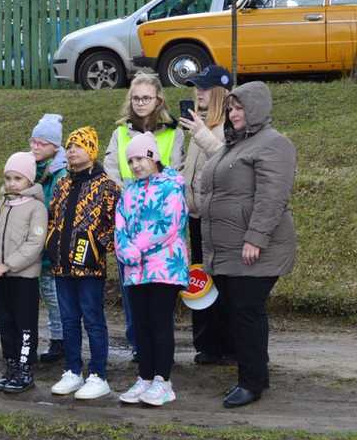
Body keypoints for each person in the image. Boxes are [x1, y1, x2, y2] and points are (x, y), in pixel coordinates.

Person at [197, 82, 297, 408]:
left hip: (256, 247)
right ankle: (256, 372)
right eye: (230, 108)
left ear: (256, 108)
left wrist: (256, 237)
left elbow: (272, 197)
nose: (233, 114)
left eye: (239, 108)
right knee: (242, 311)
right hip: (230, 247)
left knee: (246, 311)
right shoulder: (234, 144)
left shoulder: (274, 144)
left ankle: (251, 383)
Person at [104, 71, 184, 360]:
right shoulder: (120, 133)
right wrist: (128, 195)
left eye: (146, 98)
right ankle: (139, 345)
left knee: (159, 296)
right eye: (135, 98)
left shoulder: (173, 132)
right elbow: (111, 168)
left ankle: (160, 354)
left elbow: (175, 168)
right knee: (132, 289)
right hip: (129, 214)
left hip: (161, 219)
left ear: (158, 100)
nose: (140, 103)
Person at [46, 127, 121, 400]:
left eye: (78, 146)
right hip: (62, 266)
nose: (71, 151)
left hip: (90, 268)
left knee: (93, 319)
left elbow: (115, 225)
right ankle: (72, 370)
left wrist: (97, 245)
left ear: (91, 149)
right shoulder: (62, 184)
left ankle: (98, 374)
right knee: (68, 319)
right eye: (68, 147)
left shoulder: (106, 186)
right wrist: (52, 244)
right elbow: (52, 218)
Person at [114, 132, 189, 407]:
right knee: (141, 324)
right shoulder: (129, 191)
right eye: (130, 161)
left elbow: (169, 225)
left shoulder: (172, 186)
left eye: (140, 159)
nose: (135, 165)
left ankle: (162, 381)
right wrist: (125, 249)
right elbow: (120, 224)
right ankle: (144, 377)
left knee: (159, 323)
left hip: (163, 268)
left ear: (153, 157)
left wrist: (136, 248)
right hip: (135, 270)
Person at [0, 151, 48, 394]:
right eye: (8, 178)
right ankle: (11, 365)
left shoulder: (36, 208)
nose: (12, 183)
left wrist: (8, 264)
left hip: (24, 278)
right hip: (1, 277)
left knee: (24, 325)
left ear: (29, 180)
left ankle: (25, 368)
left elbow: (35, 243)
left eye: (18, 178)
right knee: (5, 323)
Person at [178, 65, 233, 365]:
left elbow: (228, 164)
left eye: (205, 88)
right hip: (196, 216)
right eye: (196, 87)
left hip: (218, 219)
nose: (198, 92)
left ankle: (227, 345)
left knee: (221, 281)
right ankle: (207, 343)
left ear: (221, 92)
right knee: (200, 277)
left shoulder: (228, 127)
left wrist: (201, 134)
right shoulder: (200, 125)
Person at [29, 113, 69, 365]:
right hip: (33, 241)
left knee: (53, 293)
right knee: (43, 291)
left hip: (50, 242)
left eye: (41, 143)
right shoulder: (30, 167)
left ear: (54, 146)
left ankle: (60, 339)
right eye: (33, 141)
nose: (35, 147)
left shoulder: (59, 174)